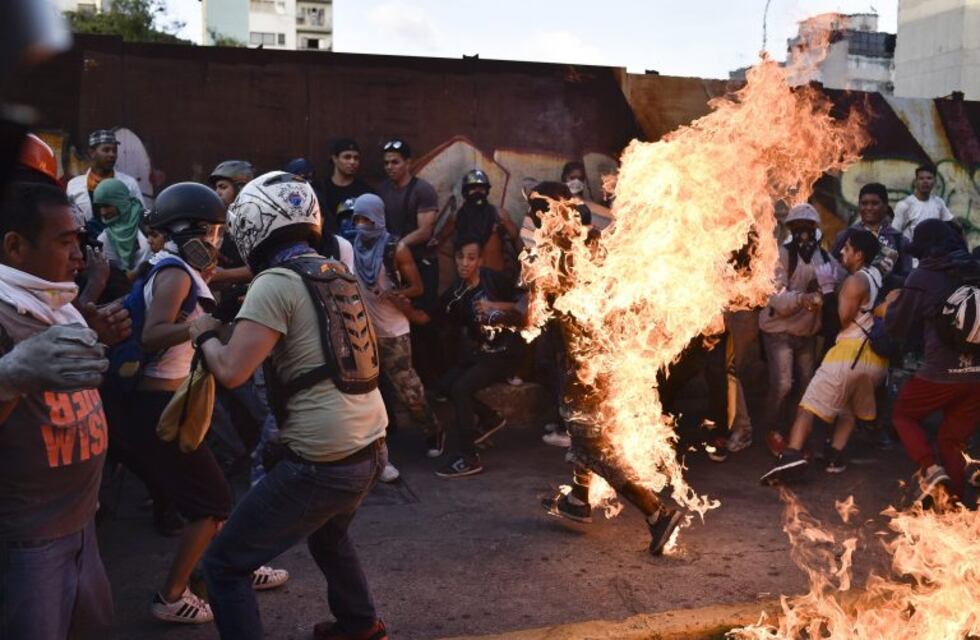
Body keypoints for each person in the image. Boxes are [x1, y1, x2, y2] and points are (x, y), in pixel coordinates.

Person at [194, 171, 389, 640]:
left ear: (253, 225)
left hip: (325, 459)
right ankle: (359, 624)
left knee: (223, 564)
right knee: (329, 533)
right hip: (371, 445)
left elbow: (232, 371)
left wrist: (201, 333)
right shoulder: (332, 271)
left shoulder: (276, 282)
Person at [127, 182, 287, 624]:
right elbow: (153, 334)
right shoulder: (176, 272)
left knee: (216, 489)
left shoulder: (178, 267)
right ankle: (171, 595)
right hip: (157, 407)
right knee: (213, 502)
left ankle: (227, 566)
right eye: (213, 232)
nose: (217, 242)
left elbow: (220, 279)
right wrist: (201, 330)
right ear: (189, 231)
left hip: (173, 400)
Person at [529, 182, 682, 556]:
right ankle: (579, 501)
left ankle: (656, 512)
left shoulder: (553, 254)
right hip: (603, 360)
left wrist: (491, 312)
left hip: (585, 368)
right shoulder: (594, 242)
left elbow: (529, 316)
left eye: (537, 210)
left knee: (594, 446)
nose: (533, 218)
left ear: (552, 210)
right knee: (587, 439)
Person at [0, 182, 115, 640]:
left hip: (82, 525)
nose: (79, 257)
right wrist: (10, 374)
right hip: (29, 543)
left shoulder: (58, 309)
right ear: (15, 245)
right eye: (65, 242)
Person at [761, 230, 885, 483]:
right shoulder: (876, 275)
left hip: (848, 355)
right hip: (874, 360)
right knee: (848, 409)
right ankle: (833, 456)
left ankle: (792, 454)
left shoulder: (855, 282)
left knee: (807, 406)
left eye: (847, 249)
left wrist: (828, 292)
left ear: (859, 254)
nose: (842, 252)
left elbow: (838, 322)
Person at [882, 219, 980, 507]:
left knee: (903, 415)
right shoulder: (974, 268)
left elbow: (897, 325)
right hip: (977, 375)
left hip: (939, 373)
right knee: (951, 439)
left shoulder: (923, 275)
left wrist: (891, 304)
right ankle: (954, 506)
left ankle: (931, 469)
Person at [350, 193, 442, 478]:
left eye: (368, 219)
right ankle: (380, 445)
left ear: (379, 218)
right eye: (358, 219)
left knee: (409, 391)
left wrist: (394, 294)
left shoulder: (395, 249)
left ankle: (434, 430)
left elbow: (417, 287)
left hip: (394, 331)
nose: (363, 225)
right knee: (369, 392)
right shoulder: (352, 246)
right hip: (364, 331)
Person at [416, 237, 523, 477]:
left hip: (506, 352)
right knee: (445, 386)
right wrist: (404, 308)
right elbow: (432, 320)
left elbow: (526, 307)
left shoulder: (493, 279)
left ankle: (469, 457)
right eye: (460, 258)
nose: (465, 263)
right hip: (483, 352)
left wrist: (496, 306)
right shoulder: (456, 292)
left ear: (481, 260)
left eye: (471, 258)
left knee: (461, 388)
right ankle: (489, 418)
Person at [758, 203, 838, 457]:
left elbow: (835, 285)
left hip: (806, 333)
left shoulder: (824, 258)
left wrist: (822, 295)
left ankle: (795, 434)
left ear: (816, 228)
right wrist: (801, 299)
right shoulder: (781, 256)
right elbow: (775, 296)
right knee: (783, 384)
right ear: (790, 228)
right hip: (778, 331)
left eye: (808, 226)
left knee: (805, 385)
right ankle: (771, 429)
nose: (803, 233)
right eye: (797, 226)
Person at [430, 169, 520, 278]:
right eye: (473, 189)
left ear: (486, 191)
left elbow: (516, 240)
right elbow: (440, 238)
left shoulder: (499, 214)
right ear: (466, 192)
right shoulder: (458, 216)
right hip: (470, 278)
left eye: (481, 189)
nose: (477, 193)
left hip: (496, 277)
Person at [66, 129, 144, 235]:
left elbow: (141, 216)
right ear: (92, 152)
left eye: (114, 150)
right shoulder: (74, 186)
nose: (112, 154)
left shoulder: (128, 184)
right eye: (106, 150)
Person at [831, 183, 909, 277]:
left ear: (885, 206)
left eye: (874, 203)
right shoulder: (846, 235)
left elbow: (906, 275)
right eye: (864, 203)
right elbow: (833, 269)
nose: (869, 208)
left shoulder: (898, 239)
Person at [92, 177, 151, 275]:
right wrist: (141, 269)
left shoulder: (148, 220)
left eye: (107, 206)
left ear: (120, 201)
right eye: (99, 207)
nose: (103, 212)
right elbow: (119, 279)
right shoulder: (105, 239)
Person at [320, 139, 373, 235]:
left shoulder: (365, 191)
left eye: (356, 158)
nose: (352, 162)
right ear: (335, 159)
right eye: (347, 157)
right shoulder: (322, 189)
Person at [891, 164, 954, 242]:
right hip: (912, 250)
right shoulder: (905, 205)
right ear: (916, 182)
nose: (925, 181)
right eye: (921, 178)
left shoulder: (939, 202)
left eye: (929, 178)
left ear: (934, 181)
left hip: (934, 250)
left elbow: (950, 222)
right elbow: (894, 232)